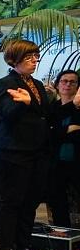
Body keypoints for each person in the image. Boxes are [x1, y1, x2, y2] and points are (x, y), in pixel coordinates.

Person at [0, 40, 51, 250]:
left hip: (37, 150)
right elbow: (8, 114)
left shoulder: (37, 84)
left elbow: (44, 113)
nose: (35, 61)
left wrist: (30, 102)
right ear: (14, 59)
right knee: (11, 200)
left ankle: (23, 246)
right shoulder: (4, 83)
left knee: (30, 201)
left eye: (36, 56)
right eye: (29, 57)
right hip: (12, 151)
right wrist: (23, 103)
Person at [46, 69, 80, 227]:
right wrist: (68, 129)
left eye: (72, 82)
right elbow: (47, 134)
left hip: (77, 161)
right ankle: (62, 235)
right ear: (57, 85)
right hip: (56, 162)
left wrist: (58, 132)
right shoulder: (52, 108)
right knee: (58, 202)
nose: (68, 84)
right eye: (64, 81)